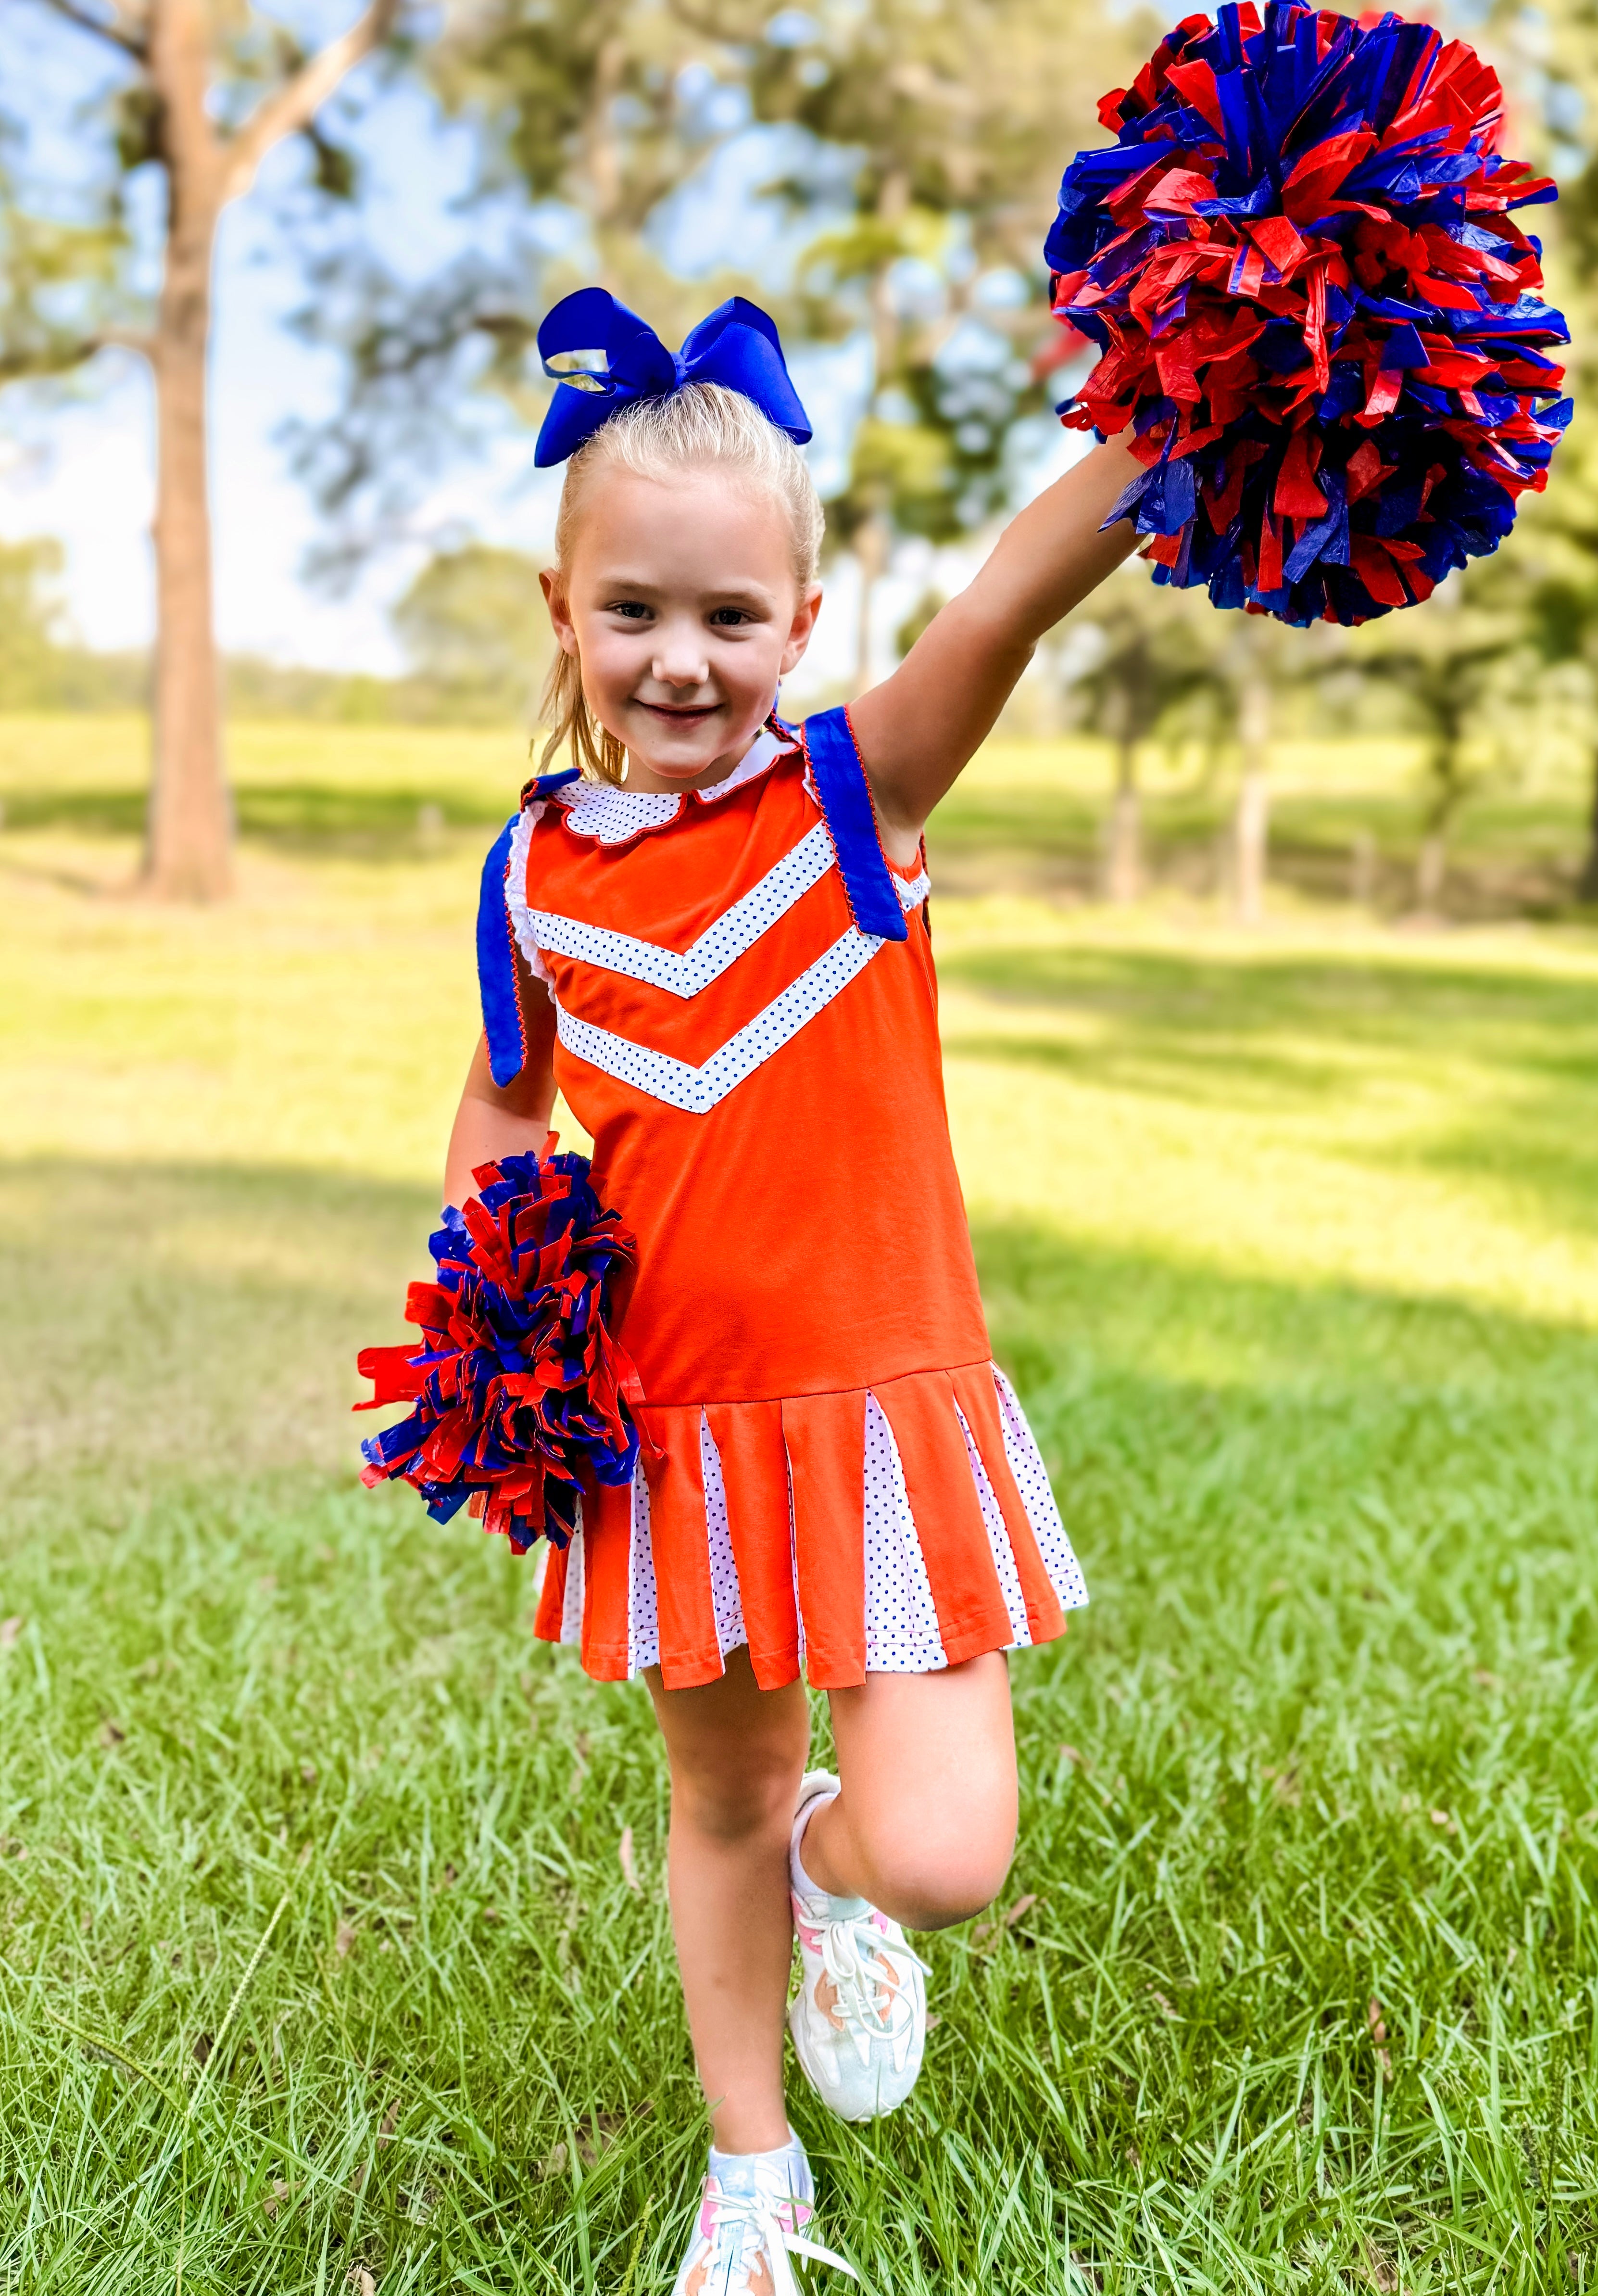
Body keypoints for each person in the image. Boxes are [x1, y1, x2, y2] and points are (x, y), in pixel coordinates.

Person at [442, 288, 1142, 2294]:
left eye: (730, 617)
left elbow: (1004, 607)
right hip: (675, 1429)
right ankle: (751, 2176)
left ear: (803, 624)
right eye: (634, 610)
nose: (681, 657)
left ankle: (847, 1883)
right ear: (563, 609)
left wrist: (1186, 411)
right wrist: (495, 1300)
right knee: (717, 1799)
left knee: (943, 1854)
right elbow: (504, 1100)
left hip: (883, 1415)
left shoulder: (855, 798)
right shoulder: (534, 878)